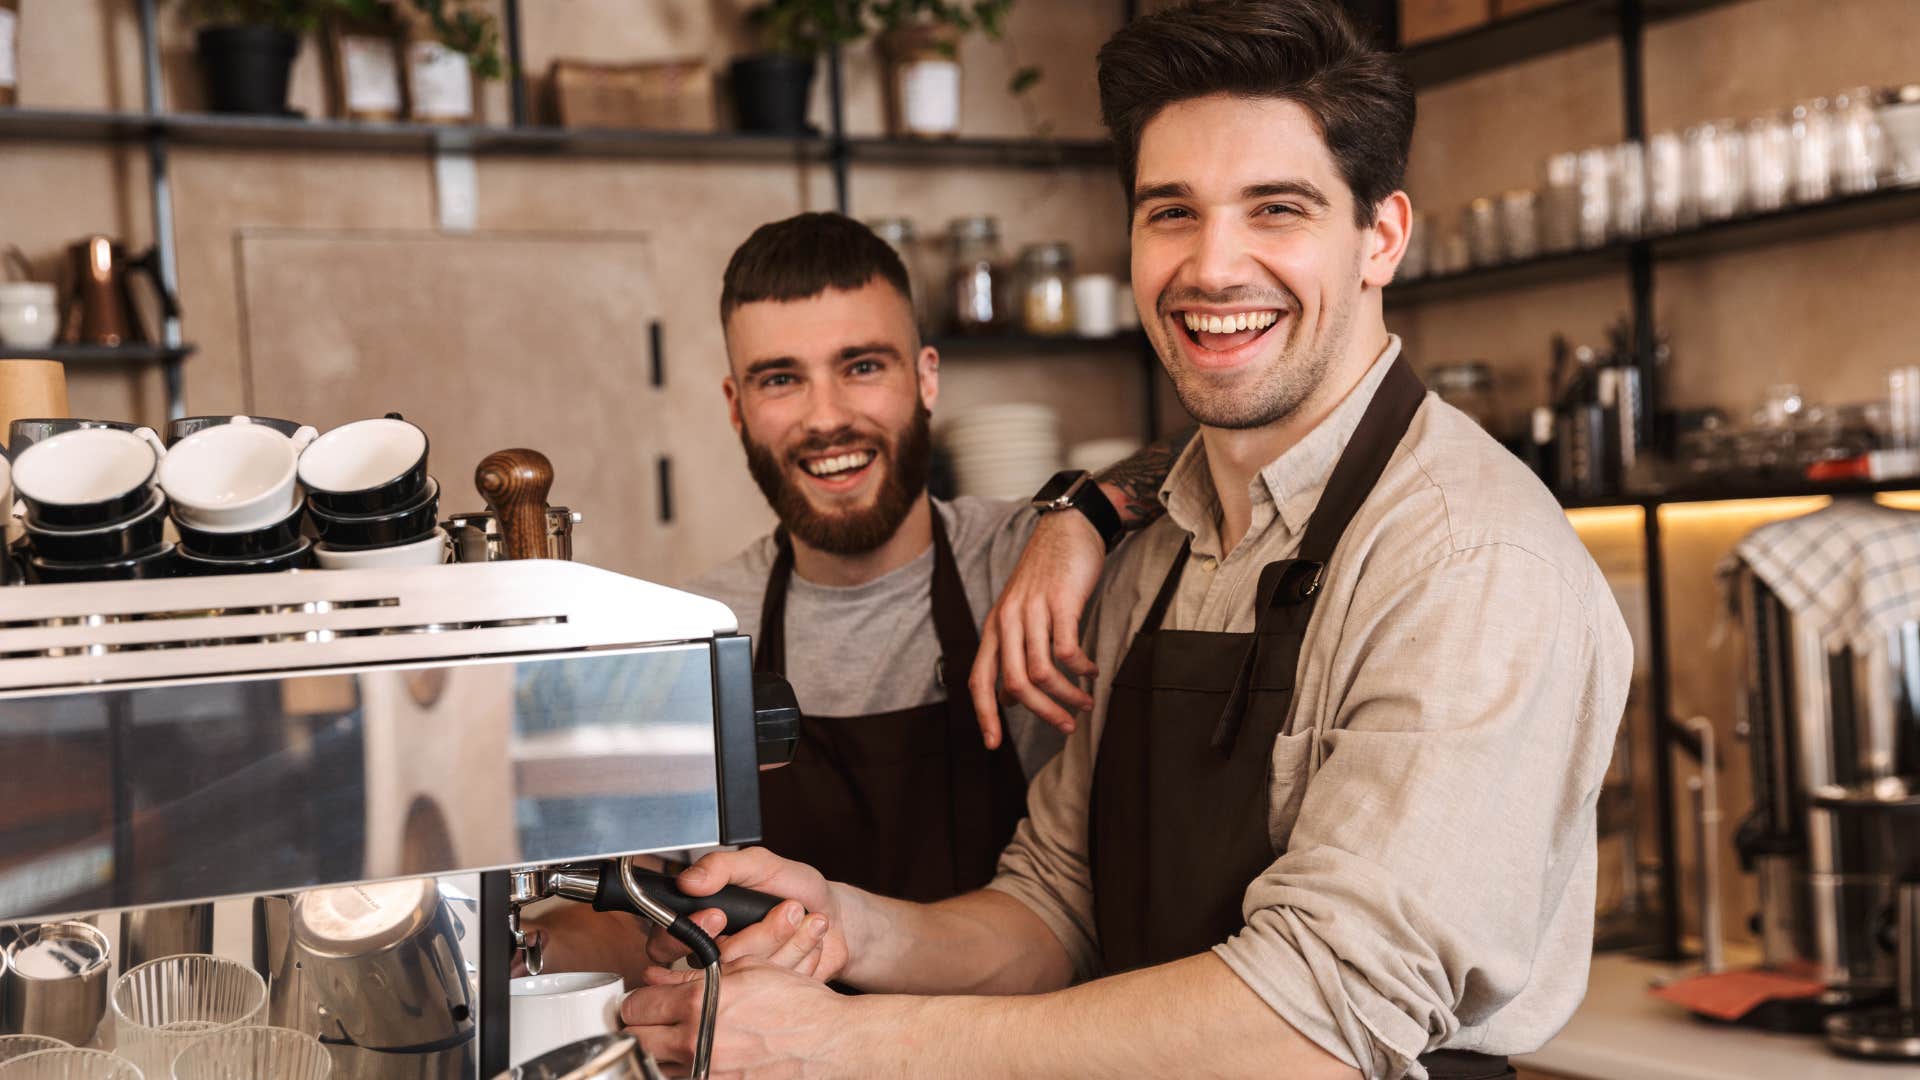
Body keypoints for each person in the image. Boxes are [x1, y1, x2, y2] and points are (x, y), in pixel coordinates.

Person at [620, 4, 1633, 1078]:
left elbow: (1323, 1014)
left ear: (1381, 235)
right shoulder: (1154, 545)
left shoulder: (1469, 563)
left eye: (1276, 209)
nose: (1213, 266)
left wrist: (847, 1042)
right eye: (1172, 213)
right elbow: (1058, 908)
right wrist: (850, 926)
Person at [523, 213, 1185, 986]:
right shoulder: (694, 631)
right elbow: (640, 915)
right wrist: (518, 951)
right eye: (781, 379)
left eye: (862, 366)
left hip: (1020, 1044)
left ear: (927, 376)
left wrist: (1083, 518)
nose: (826, 417)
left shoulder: (1027, 562)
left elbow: (1218, 444)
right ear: (737, 406)